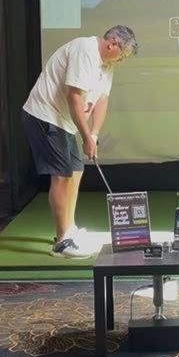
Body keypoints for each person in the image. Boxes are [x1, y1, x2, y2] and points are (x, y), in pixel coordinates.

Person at [22, 25, 138, 258]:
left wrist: (93, 134)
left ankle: (70, 229)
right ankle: (62, 241)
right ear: (112, 43)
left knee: (76, 170)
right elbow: (74, 96)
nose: (121, 60)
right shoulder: (84, 50)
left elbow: (102, 100)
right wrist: (85, 137)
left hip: (63, 121)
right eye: (122, 55)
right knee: (63, 174)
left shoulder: (107, 65)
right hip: (44, 115)